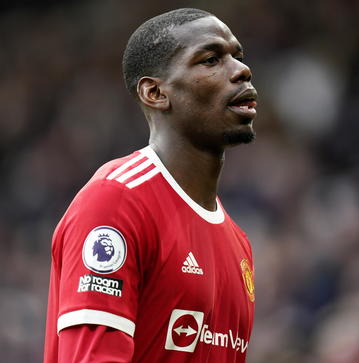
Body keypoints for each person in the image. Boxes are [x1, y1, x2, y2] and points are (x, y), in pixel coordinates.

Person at [44, 8, 257, 362]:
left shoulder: (240, 243)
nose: (241, 70)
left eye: (238, 56)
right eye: (211, 59)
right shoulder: (116, 201)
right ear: (155, 92)